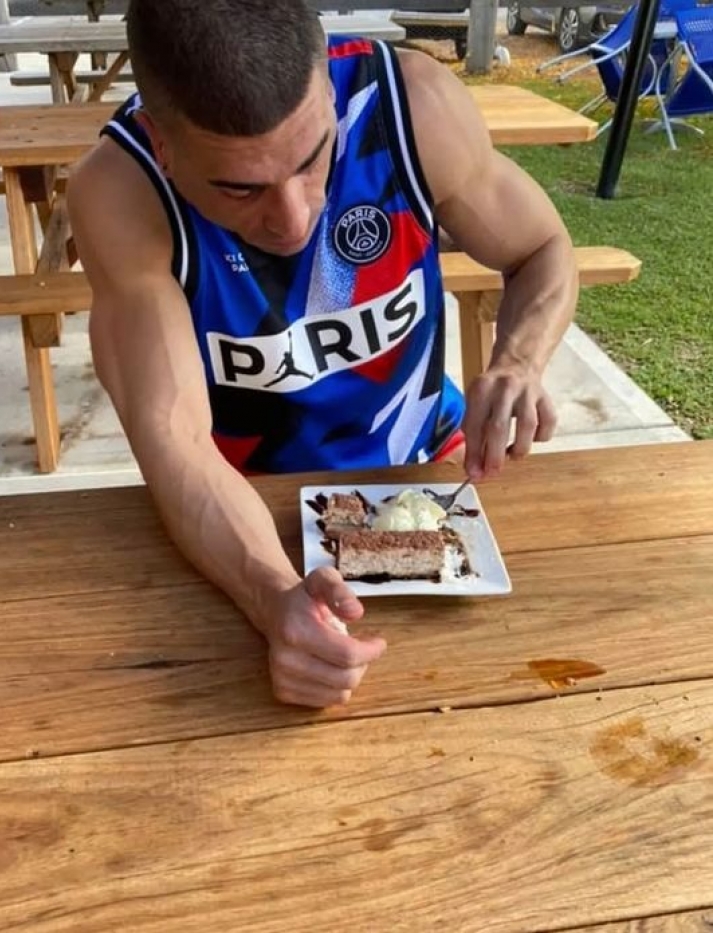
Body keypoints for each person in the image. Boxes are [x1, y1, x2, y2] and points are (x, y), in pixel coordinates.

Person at [66, 0, 579, 709]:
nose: (294, 218)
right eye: (239, 188)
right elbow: (175, 443)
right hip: (245, 511)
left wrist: (518, 358)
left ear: (327, 89)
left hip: (427, 473)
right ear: (160, 142)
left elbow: (541, 248)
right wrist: (273, 594)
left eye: (313, 160)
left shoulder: (412, 104)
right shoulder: (121, 192)